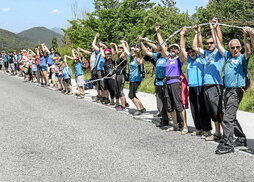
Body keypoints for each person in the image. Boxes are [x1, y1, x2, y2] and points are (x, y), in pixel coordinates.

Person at [211, 24, 252, 154]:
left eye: (237, 47)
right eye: (232, 47)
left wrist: (247, 36)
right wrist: (213, 28)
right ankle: (240, 138)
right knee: (230, 117)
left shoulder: (242, 58)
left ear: (240, 47)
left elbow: (249, 51)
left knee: (227, 119)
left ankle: (228, 144)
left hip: (237, 90)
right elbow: (218, 44)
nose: (235, 49)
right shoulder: (228, 56)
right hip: (227, 90)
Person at [192, 18, 224, 141]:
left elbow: (219, 41)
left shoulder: (219, 53)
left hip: (215, 86)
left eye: (211, 43)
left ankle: (219, 133)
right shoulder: (206, 54)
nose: (210, 45)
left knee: (217, 111)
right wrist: (197, 33)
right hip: (206, 86)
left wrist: (216, 26)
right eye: (208, 43)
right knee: (211, 111)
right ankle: (217, 133)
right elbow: (195, 47)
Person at [155, 23, 188, 134]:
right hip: (167, 82)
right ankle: (174, 125)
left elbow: (183, 47)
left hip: (175, 82)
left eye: (175, 48)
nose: (173, 49)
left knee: (179, 105)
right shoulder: (168, 58)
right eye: (172, 48)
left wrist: (182, 35)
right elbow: (162, 45)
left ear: (178, 51)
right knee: (170, 107)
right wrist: (158, 32)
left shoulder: (179, 59)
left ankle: (185, 126)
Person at [180, 26, 212, 136]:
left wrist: (197, 33)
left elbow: (200, 45)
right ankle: (198, 128)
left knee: (202, 109)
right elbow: (182, 48)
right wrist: (182, 35)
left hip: (201, 86)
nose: (191, 53)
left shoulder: (201, 58)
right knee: (194, 109)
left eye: (193, 51)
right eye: (190, 52)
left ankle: (206, 130)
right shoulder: (189, 60)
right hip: (192, 86)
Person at [139, 37, 169, 127]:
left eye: (162, 46)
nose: (159, 47)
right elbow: (147, 52)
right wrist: (141, 42)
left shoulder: (169, 56)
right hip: (158, 81)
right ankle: (164, 119)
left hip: (167, 81)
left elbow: (160, 47)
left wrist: (148, 41)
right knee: (160, 102)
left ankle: (177, 120)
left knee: (168, 101)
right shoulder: (158, 56)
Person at [123, 42, 145, 116]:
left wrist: (138, 52)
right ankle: (142, 108)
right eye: (131, 50)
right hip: (132, 79)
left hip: (136, 79)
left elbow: (139, 61)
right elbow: (126, 50)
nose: (132, 51)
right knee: (133, 95)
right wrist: (124, 43)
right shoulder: (131, 58)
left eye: (133, 50)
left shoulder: (137, 58)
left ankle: (139, 109)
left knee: (131, 95)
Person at [110, 41, 129, 110]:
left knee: (120, 90)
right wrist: (113, 46)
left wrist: (125, 44)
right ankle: (125, 103)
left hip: (121, 75)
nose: (119, 48)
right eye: (118, 47)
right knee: (118, 89)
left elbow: (127, 51)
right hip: (118, 74)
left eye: (121, 47)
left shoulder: (124, 55)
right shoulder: (119, 55)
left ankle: (123, 106)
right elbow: (113, 55)